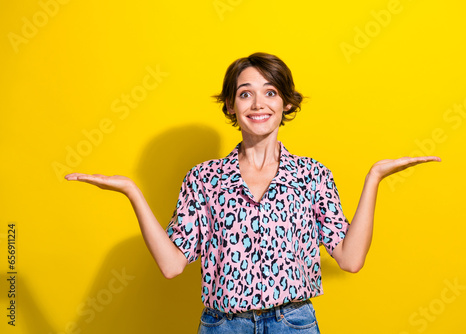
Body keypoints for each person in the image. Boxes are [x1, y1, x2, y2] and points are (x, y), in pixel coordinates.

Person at [65, 52, 441, 333]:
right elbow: (172, 265)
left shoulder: (312, 175)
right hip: (223, 326)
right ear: (230, 105)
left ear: (286, 103)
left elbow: (350, 258)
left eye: (271, 92)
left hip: (293, 323)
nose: (258, 104)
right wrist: (132, 191)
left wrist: (374, 177)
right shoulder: (204, 178)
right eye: (245, 94)